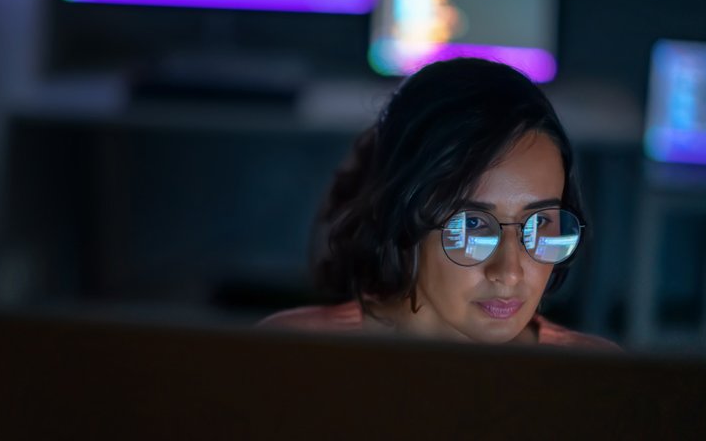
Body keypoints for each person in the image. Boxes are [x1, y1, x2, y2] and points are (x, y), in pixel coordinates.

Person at [259, 58, 619, 350]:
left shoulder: (591, 378)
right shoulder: (293, 355)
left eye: (540, 222)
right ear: (402, 216)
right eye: (473, 224)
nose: (510, 272)